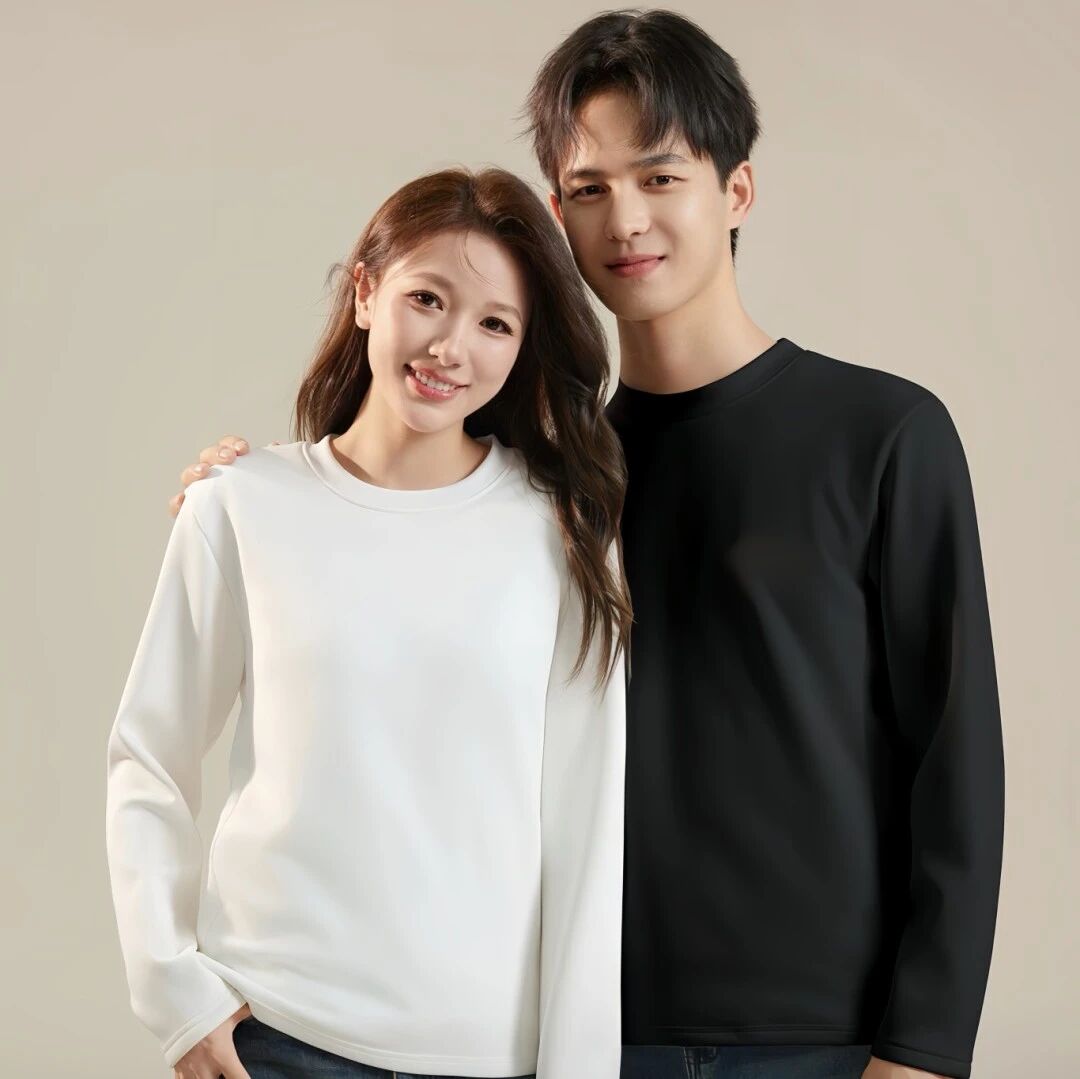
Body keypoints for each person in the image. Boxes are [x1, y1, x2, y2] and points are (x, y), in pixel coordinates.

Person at [172, 10, 1005, 1079]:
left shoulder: (882, 434)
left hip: (828, 1036)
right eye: (589, 188)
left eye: (660, 178)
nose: (627, 219)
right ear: (557, 215)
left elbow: (956, 760)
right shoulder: (538, 482)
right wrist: (244, 493)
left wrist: (923, 1048)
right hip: (586, 1027)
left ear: (737, 190)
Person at [105, 166, 632, 1079]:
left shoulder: (562, 529)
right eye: (427, 298)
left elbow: (587, 820)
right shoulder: (240, 504)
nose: (450, 346)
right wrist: (176, 997)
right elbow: (147, 757)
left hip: (484, 1053)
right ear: (364, 293)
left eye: (495, 324)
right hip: (273, 1033)